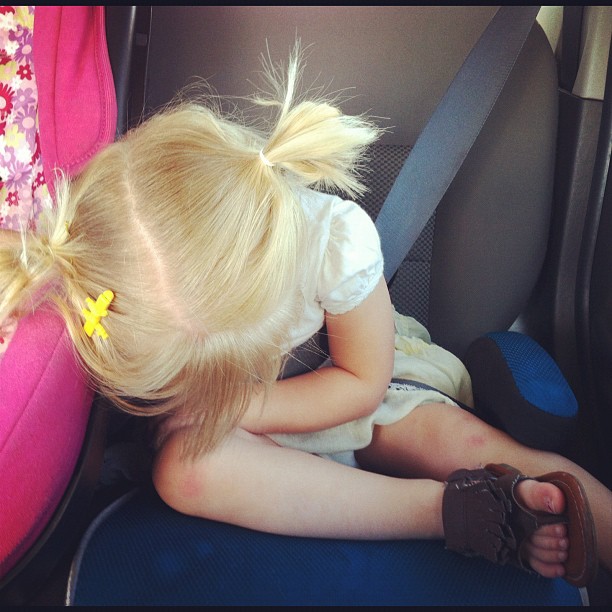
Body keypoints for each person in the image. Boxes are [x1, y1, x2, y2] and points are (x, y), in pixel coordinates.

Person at [1, 48, 610, 588]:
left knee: (461, 443)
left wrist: (240, 405)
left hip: (354, 390)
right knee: (183, 473)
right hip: (230, 430)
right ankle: (443, 511)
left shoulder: (334, 242)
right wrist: (211, 413)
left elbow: (363, 383)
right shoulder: (108, 265)